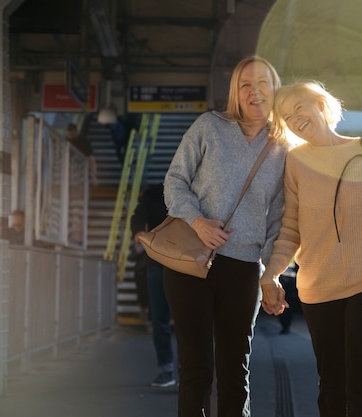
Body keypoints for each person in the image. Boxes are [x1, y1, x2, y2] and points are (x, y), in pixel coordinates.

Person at [260, 81, 362, 417]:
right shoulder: (297, 162)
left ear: (319, 103)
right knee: (331, 391)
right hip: (317, 292)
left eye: (299, 107)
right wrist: (270, 274)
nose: (295, 118)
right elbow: (291, 228)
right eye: (287, 116)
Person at [162, 55, 290, 417]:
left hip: (244, 267)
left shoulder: (283, 148)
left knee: (235, 370)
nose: (254, 92)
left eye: (262, 83)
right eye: (245, 84)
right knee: (195, 368)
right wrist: (198, 221)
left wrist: (270, 276)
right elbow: (175, 181)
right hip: (190, 262)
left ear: (274, 88)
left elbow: (277, 220)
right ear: (236, 91)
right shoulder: (209, 126)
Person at [130, 183, 177, 388]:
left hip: (188, 263)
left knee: (190, 321)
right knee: (159, 319)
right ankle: (166, 369)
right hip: (157, 260)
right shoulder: (153, 193)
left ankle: (190, 371)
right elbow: (137, 218)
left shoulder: (197, 189)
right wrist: (139, 234)